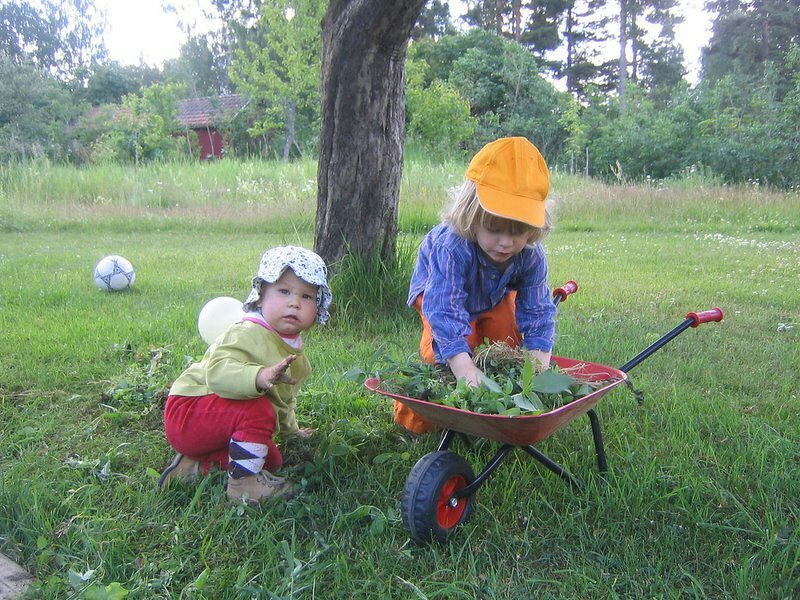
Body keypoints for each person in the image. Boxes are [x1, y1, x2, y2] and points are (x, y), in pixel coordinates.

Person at [396, 136, 557, 435]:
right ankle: (417, 420)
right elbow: (443, 309)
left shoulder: (530, 255)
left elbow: (538, 312)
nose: (506, 242)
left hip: (493, 294)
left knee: (505, 348)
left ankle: (497, 414)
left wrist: (535, 369)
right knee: (446, 357)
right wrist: (464, 368)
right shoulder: (452, 246)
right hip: (440, 295)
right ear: (471, 214)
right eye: (495, 229)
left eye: (519, 230)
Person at [158, 246, 332, 504]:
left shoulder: (295, 355)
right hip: (189, 409)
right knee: (258, 410)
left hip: (214, 422)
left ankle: (193, 467)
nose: (295, 302)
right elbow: (217, 374)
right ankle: (243, 487)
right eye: (284, 291)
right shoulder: (247, 332)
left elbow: (284, 400)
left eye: (307, 296)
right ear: (261, 296)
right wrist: (259, 377)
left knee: (269, 458)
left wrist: (291, 431)